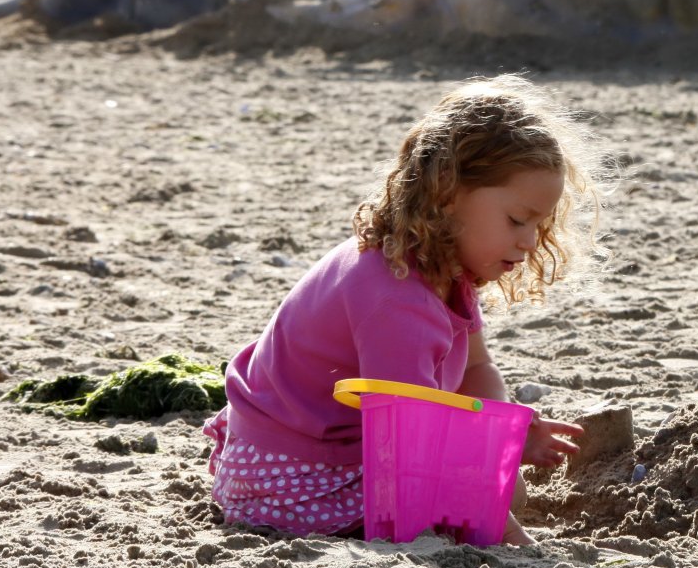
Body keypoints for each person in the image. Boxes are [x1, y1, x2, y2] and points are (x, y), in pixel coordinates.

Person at [203, 74, 606, 543]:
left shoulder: (438, 260)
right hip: (289, 477)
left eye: (540, 224)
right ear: (447, 195)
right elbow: (408, 458)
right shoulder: (398, 300)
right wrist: (517, 543)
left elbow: (476, 366)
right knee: (483, 498)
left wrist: (501, 438)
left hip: (333, 440)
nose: (530, 240)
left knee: (503, 485)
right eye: (518, 220)